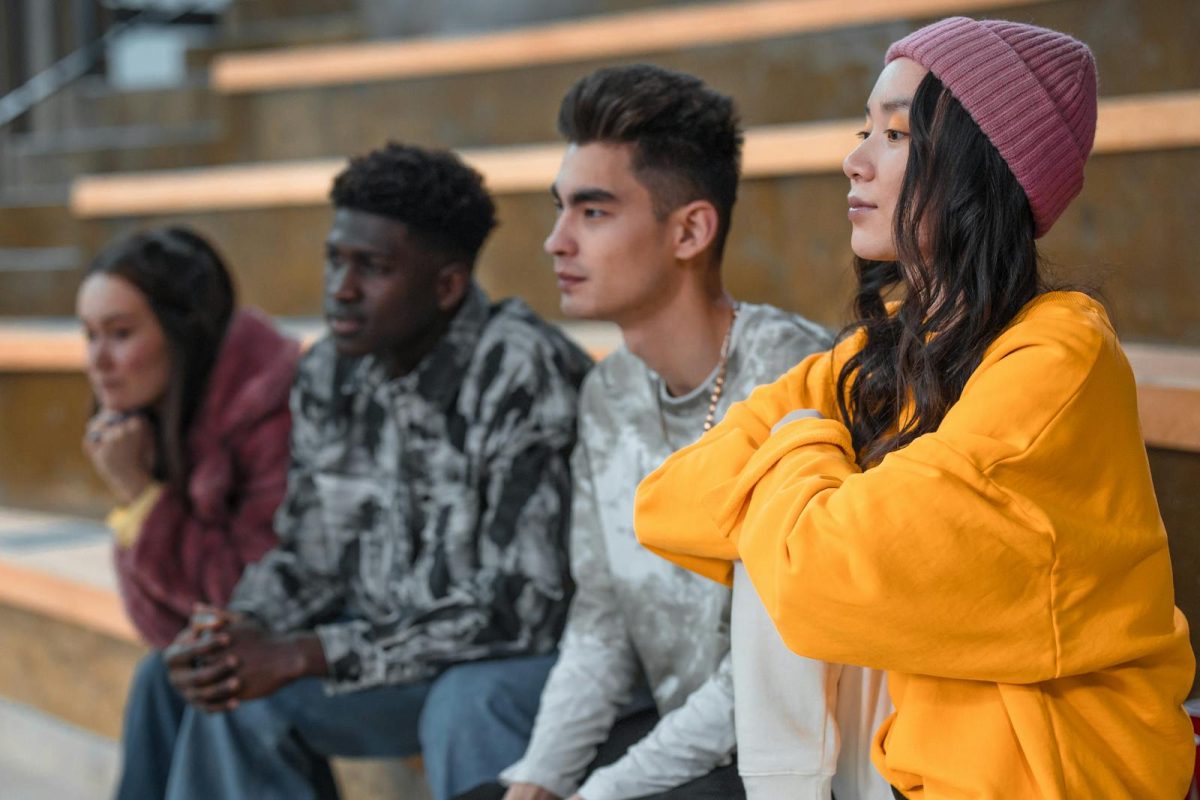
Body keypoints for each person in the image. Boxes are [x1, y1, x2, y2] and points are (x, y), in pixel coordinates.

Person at [634, 16, 1195, 799]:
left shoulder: (1059, 356)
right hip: (897, 759)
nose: (852, 160)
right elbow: (664, 502)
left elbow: (819, 574)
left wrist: (799, 444)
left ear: (981, 168)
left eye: (894, 136)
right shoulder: (886, 352)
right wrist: (822, 472)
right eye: (865, 129)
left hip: (1039, 772)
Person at [463, 65, 889, 800]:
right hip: (675, 746)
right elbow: (599, 624)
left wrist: (602, 792)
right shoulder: (606, 392)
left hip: (789, 759)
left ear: (691, 228)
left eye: (592, 213)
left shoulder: (798, 378)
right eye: (559, 209)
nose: (556, 242)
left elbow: (778, 667)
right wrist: (541, 779)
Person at [131, 143, 593, 800]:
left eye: (372, 268)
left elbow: (521, 609)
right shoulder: (331, 370)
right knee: (206, 680)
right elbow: (312, 555)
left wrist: (305, 654)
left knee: (458, 700)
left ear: (447, 285)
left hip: (513, 659)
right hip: (391, 650)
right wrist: (237, 630)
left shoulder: (521, 374)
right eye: (335, 261)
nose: (340, 289)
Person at [77, 226, 298, 799]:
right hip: (248, 647)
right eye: (88, 334)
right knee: (165, 672)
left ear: (181, 335)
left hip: (324, 640)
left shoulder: (273, 409)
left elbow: (247, 600)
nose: (98, 360)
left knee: (216, 676)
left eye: (121, 334)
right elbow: (161, 628)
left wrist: (143, 501)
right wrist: (140, 498)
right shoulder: (160, 413)